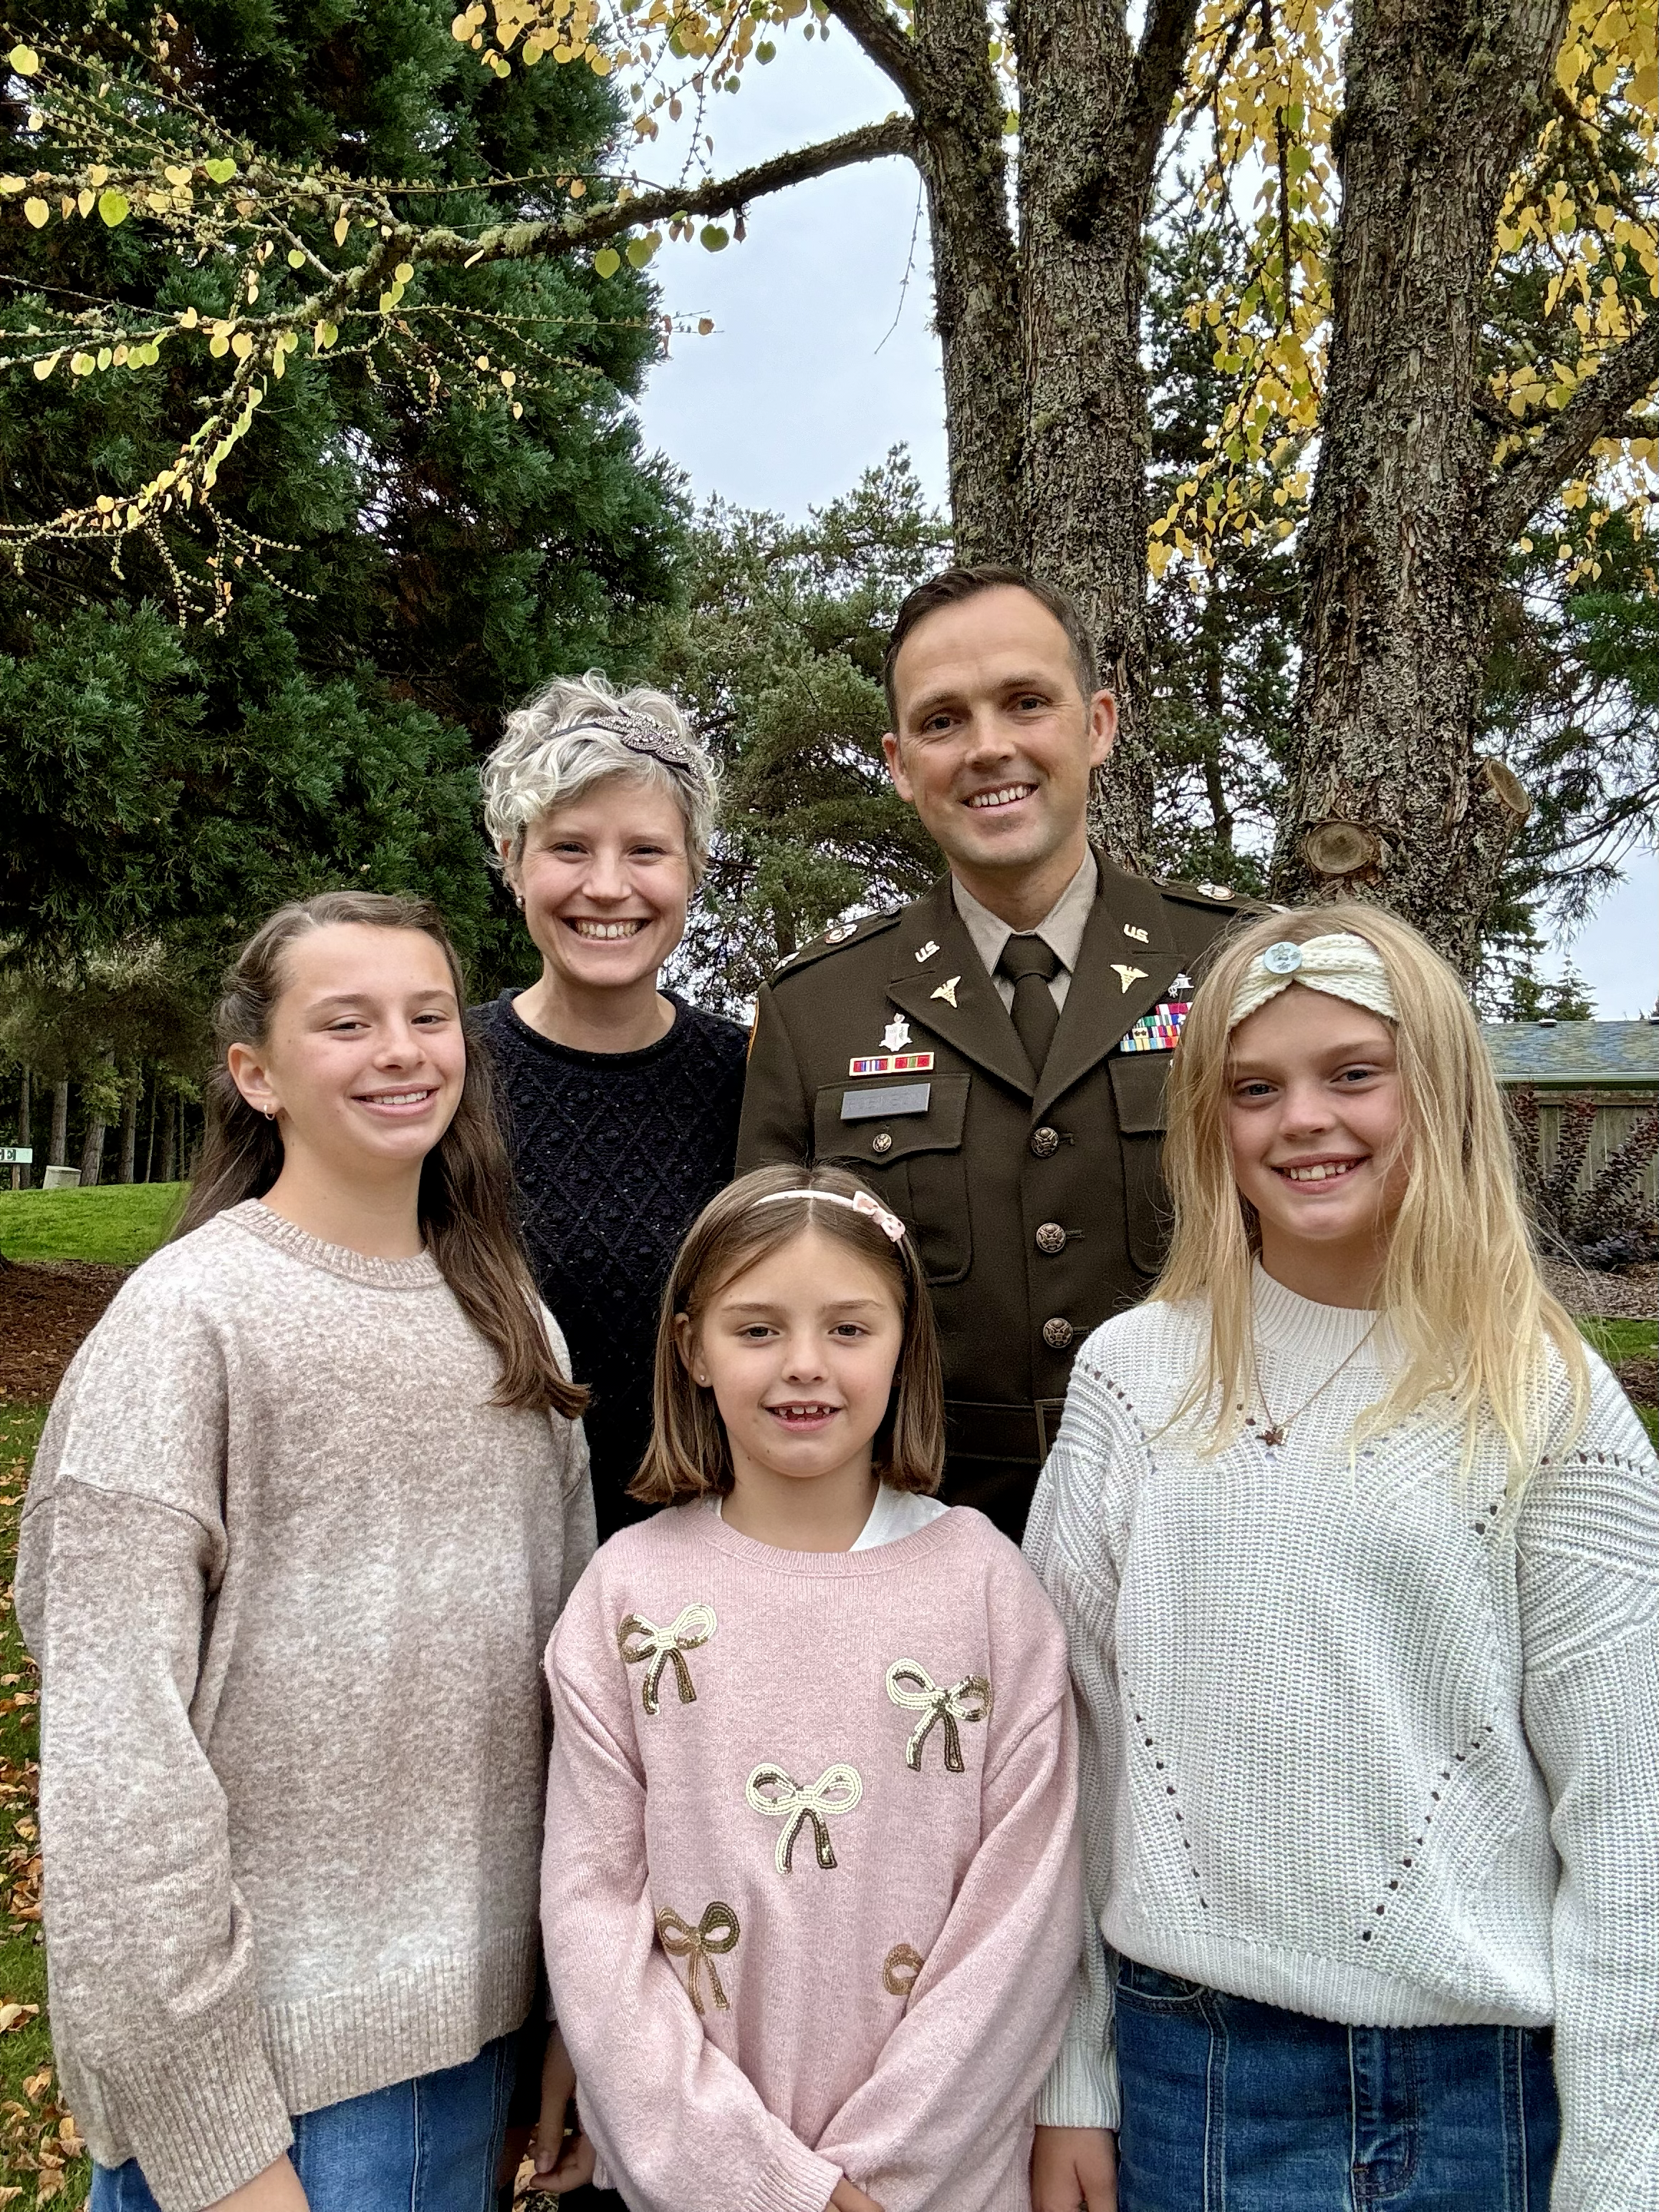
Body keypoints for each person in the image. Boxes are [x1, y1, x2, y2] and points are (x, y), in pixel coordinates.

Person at [1024, 904, 1659, 2212]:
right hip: (1188, 2071)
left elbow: (1629, 1818)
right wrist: (1070, 2075)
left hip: (1479, 2097)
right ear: (1210, 1124)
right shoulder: (1132, 1383)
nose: (1302, 1118)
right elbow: (1065, 1757)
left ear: (1436, 1090)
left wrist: (1620, 2160)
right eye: (1255, 1088)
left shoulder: (1543, 1398)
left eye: (1353, 1073)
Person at [17, 891, 595, 2212]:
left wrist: (566, 2008)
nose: (401, 1049)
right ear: (256, 1072)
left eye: (429, 1014)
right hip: (275, 2108)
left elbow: (569, 1712)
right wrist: (215, 2140)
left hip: (477, 2056)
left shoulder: (517, 1329)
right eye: (347, 1021)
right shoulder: (187, 1324)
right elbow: (119, 1770)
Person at [532, 1164, 1083, 2212]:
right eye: (756, 1330)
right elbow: (593, 1916)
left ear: (905, 1342)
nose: (803, 1367)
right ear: (691, 1348)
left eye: (848, 1328)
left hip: (945, 2187)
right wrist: (761, 2186)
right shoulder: (627, 1595)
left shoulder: (987, 1589)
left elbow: (1026, 1919)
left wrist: (874, 2181)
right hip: (685, 2186)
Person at [736, 564, 1263, 1539]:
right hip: (920, 1542)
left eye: (1026, 703)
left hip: (1217, 1527)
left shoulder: (1242, 969)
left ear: (1098, 723)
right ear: (899, 763)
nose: (987, 748)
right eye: (942, 722)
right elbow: (766, 1314)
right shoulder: (819, 1013)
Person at [473, 670, 748, 1542]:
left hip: (706, 1558)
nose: (606, 885)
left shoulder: (754, 1077)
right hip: (489, 1554)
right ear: (513, 861)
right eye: (568, 848)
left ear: (693, 870)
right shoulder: (445, 1075)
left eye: (644, 850)